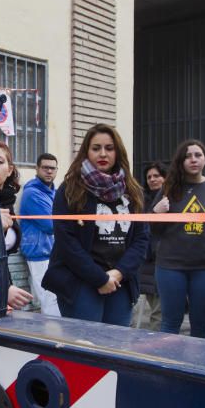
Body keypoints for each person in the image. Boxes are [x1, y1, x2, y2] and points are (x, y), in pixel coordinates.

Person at [43, 124, 149, 326]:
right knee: (84, 348)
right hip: (80, 280)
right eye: (96, 148)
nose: (103, 153)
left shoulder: (133, 191)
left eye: (109, 148)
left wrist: (117, 274)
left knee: (115, 349)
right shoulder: (70, 189)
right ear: (86, 151)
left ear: (118, 152)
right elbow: (66, 241)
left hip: (120, 281)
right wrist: (99, 278)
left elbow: (141, 239)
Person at [151, 141, 205, 339]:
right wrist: (155, 213)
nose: (193, 159)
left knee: (201, 326)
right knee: (170, 323)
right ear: (181, 161)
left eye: (198, 155)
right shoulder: (169, 188)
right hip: (170, 267)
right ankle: (167, 369)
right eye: (187, 156)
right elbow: (153, 230)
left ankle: (195, 369)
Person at [0, 140, 34, 309]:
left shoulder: (7, 202)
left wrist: (6, 287)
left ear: (9, 170)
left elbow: (1, 256)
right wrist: (0, 289)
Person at [19, 153, 61, 316]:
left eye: (52, 168)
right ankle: (52, 338)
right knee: (49, 301)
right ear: (37, 169)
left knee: (52, 299)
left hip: (51, 253)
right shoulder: (33, 193)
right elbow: (51, 225)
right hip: (39, 254)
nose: (49, 171)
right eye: (45, 168)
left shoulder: (52, 192)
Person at [131, 161, 167, 330]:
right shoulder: (141, 199)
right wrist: (154, 213)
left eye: (156, 176)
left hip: (168, 260)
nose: (152, 180)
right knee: (157, 311)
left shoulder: (173, 198)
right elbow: (138, 227)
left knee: (162, 311)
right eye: (149, 177)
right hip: (148, 262)